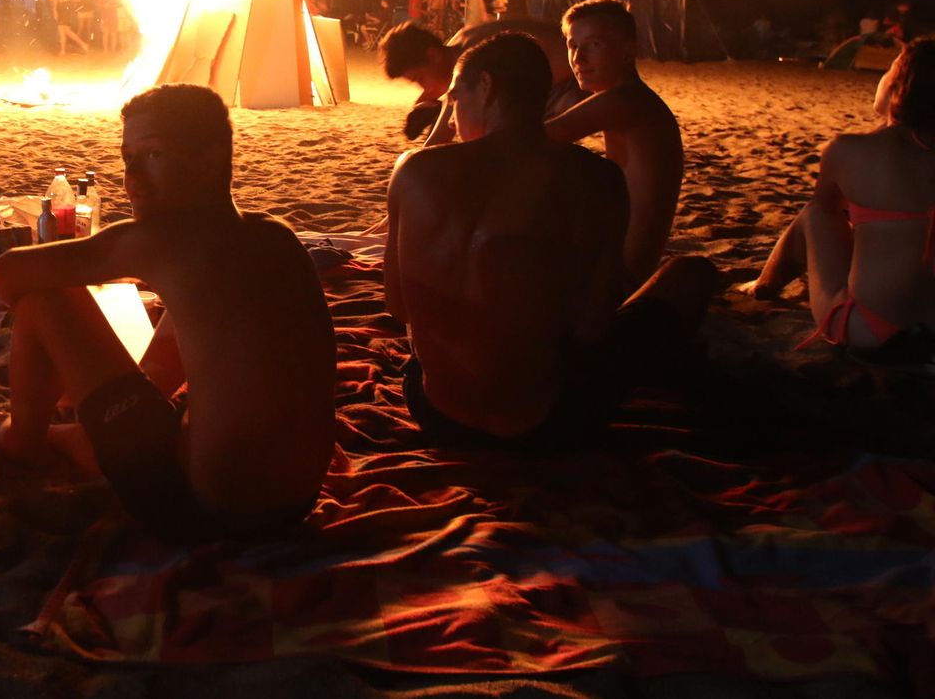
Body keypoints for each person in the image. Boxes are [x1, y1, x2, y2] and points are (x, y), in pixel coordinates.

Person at [0, 84, 335, 541]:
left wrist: (76, 370)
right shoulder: (277, 236)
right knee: (179, 336)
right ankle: (83, 437)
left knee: (43, 300)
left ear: (212, 159)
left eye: (152, 156)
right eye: (127, 158)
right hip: (295, 504)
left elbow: (9, 274)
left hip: (203, 508)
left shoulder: (155, 241)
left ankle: (24, 442)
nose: (132, 179)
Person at [386, 32, 716, 446]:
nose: (451, 118)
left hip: (435, 413)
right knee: (692, 273)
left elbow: (398, 306)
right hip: (552, 421)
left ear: (485, 87)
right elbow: (591, 329)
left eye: (454, 100)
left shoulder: (412, 171)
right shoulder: (599, 178)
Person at [741, 38, 935, 355]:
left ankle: (765, 284)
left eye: (890, 68)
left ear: (901, 85)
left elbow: (827, 210)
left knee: (815, 216)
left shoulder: (850, 150)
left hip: (874, 332)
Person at [544, 0, 684, 286]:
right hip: (620, 268)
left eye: (594, 45)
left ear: (628, 50)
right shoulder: (628, 99)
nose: (578, 59)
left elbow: (525, 139)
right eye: (572, 46)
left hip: (619, 280)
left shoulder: (624, 102)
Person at [380, 18, 579, 141]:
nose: (423, 88)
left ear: (433, 55)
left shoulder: (470, 58)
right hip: (565, 79)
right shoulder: (459, 42)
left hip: (578, 80)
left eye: (420, 78)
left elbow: (438, 141)